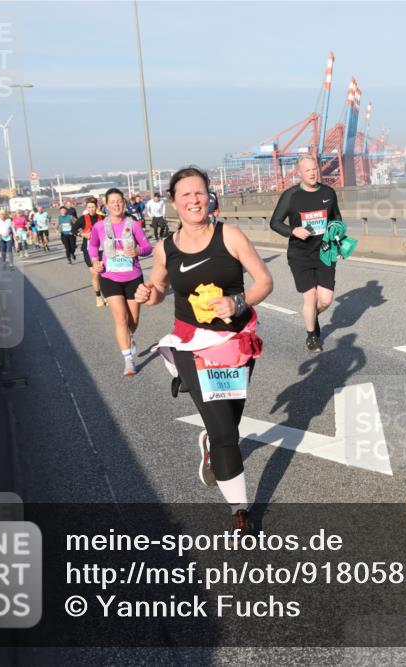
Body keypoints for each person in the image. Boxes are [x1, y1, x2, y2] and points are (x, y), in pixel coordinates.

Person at [135, 166, 272, 534]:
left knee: (231, 421)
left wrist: (238, 301)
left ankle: (211, 445)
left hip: (236, 343)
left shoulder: (230, 236)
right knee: (226, 431)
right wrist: (149, 295)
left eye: (200, 193)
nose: (194, 200)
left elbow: (265, 281)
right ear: (173, 202)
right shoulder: (166, 248)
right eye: (186, 195)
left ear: (209, 196)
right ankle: (240, 512)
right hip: (193, 346)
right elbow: (159, 290)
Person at [269, 155, 341, 352]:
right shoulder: (291, 195)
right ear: (300, 173)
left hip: (325, 252)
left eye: (314, 169)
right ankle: (312, 336)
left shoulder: (328, 192)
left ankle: (311, 317)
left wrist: (339, 240)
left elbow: (337, 219)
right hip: (300, 255)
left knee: (325, 299)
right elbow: (274, 223)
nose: (312, 173)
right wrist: (293, 231)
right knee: (310, 298)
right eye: (307, 170)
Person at [88, 188, 153, 376]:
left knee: (133, 320)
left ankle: (129, 337)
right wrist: (95, 262)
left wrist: (138, 252)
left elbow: (147, 247)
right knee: (121, 319)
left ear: (124, 203)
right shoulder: (99, 227)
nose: (117, 205)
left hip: (133, 277)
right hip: (110, 277)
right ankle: (128, 361)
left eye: (120, 201)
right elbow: (92, 246)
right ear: (106, 205)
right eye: (113, 202)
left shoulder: (133, 224)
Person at [78, 197, 107, 307]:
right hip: (88, 250)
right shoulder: (82, 219)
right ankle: (98, 297)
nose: (91, 209)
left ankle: (107, 296)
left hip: (102, 249)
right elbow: (73, 230)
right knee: (95, 274)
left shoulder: (103, 218)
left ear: (97, 207)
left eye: (93, 207)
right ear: (86, 207)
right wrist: (82, 234)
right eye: (89, 207)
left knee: (104, 274)